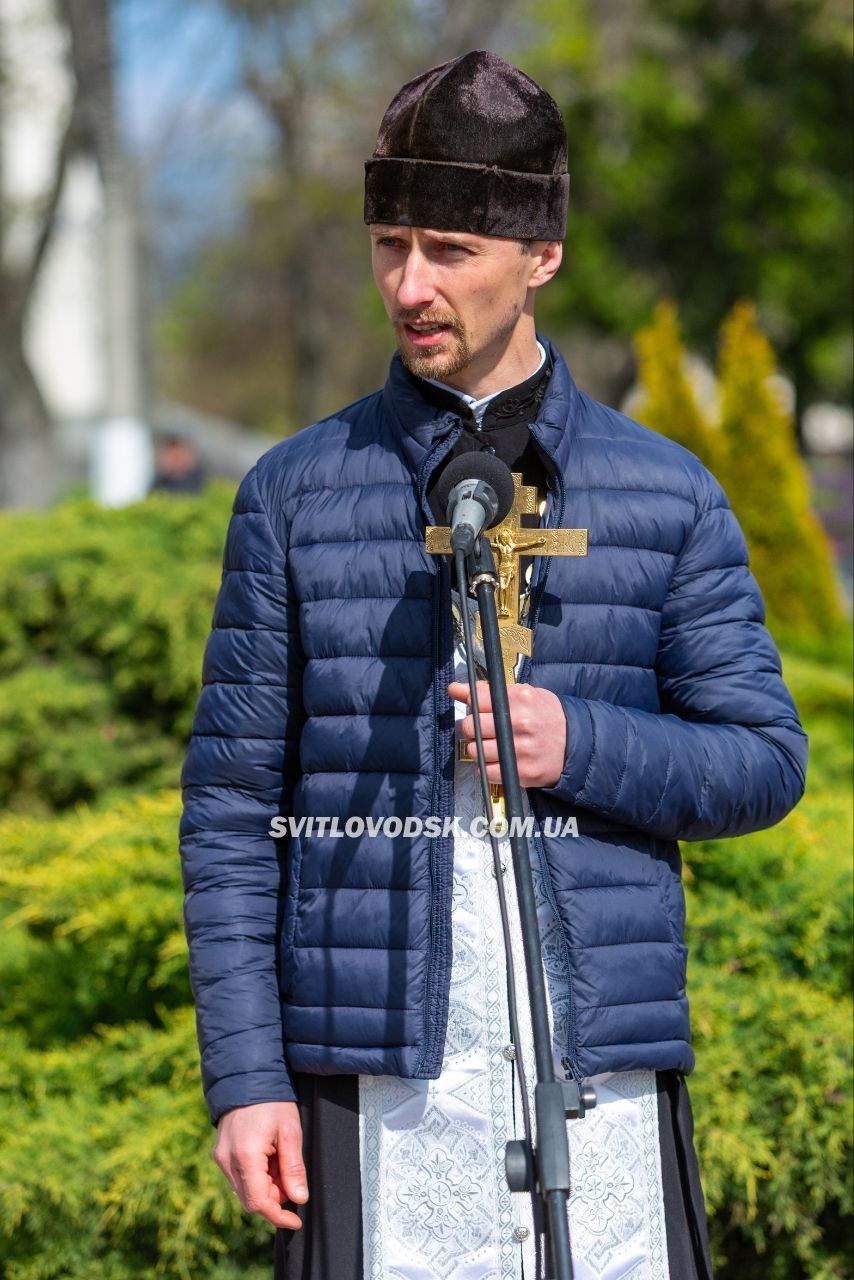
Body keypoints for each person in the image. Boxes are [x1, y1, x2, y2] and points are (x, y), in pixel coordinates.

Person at [179, 51, 808, 1280]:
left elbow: (763, 758)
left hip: (598, 1082)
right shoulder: (292, 494)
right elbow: (230, 808)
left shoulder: (664, 492)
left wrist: (578, 743)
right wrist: (247, 1076)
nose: (408, 285)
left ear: (541, 254)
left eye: (450, 250)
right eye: (388, 243)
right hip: (376, 1084)